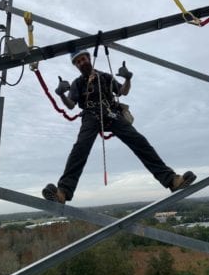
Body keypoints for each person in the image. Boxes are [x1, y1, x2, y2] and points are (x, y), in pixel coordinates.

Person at [42, 49, 196, 204]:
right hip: (91, 115)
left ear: (89, 58)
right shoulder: (78, 83)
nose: (82, 63)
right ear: (76, 65)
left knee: (138, 140)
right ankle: (62, 192)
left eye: (83, 59)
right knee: (80, 148)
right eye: (78, 62)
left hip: (111, 112)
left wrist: (128, 79)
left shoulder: (105, 77)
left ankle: (172, 180)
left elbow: (123, 91)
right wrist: (62, 94)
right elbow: (70, 105)